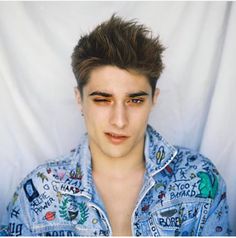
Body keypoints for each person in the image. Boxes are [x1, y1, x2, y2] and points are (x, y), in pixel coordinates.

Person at [3, 15, 230, 236]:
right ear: (79, 99)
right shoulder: (38, 192)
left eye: (135, 100)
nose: (119, 120)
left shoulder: (200, 179)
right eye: (102, 100)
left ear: (154, 99)